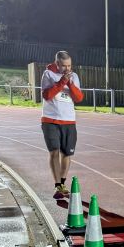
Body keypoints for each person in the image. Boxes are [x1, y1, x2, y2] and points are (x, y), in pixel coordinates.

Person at [40, 50, 84, 199]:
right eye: (64, 66)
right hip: (50, 120)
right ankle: (57, 185)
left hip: (69, 121)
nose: (67, 69)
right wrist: (62, 82)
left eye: (69, 66)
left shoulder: (75, 76)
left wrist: (70, 83)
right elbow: (47, 95)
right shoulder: (48, 74)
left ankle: (63, 183)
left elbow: (78, 98)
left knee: (67, 153)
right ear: (57, 63)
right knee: (54, 152)